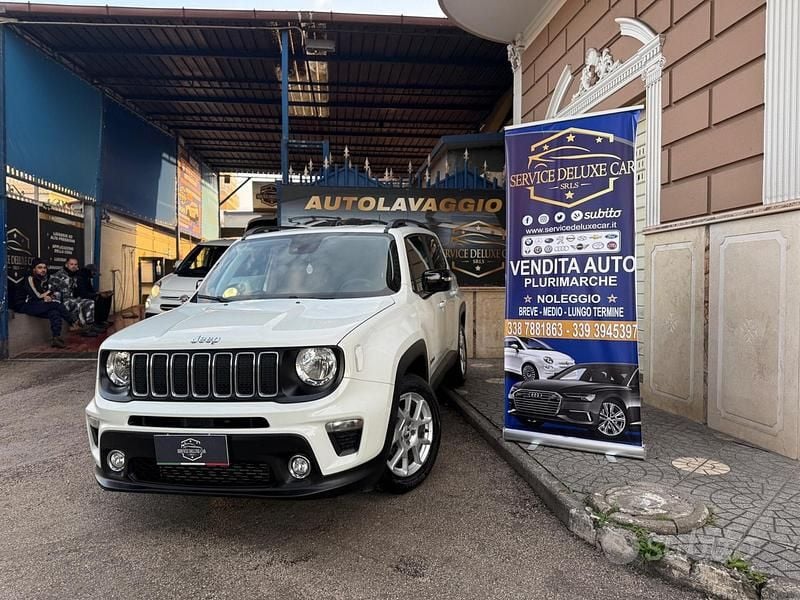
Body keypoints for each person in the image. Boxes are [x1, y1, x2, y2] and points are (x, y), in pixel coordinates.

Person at [15, 258, 76, 348]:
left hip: (37, 305)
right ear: (34, 269)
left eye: (44, 268)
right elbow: (37, 295)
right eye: (39, 267)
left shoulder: (44, 279)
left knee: (55, 312)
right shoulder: (30, 278)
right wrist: (49, 292)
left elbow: (46, 295)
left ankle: (56, 338)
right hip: (25, 305)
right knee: (56, 305)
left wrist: (49, 296)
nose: (43, 270)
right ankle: (74, 322)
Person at [48, 256, 101, 334]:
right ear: (66, 265)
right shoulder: (58, 276)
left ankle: (90, 326)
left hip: (72, 299)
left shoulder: (74, 275)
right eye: (71, 264)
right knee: (79, 304)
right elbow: (51, 292)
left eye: (75, 264)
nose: (74, 266)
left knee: (90, 302)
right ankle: (83, 328)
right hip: (61, 301)